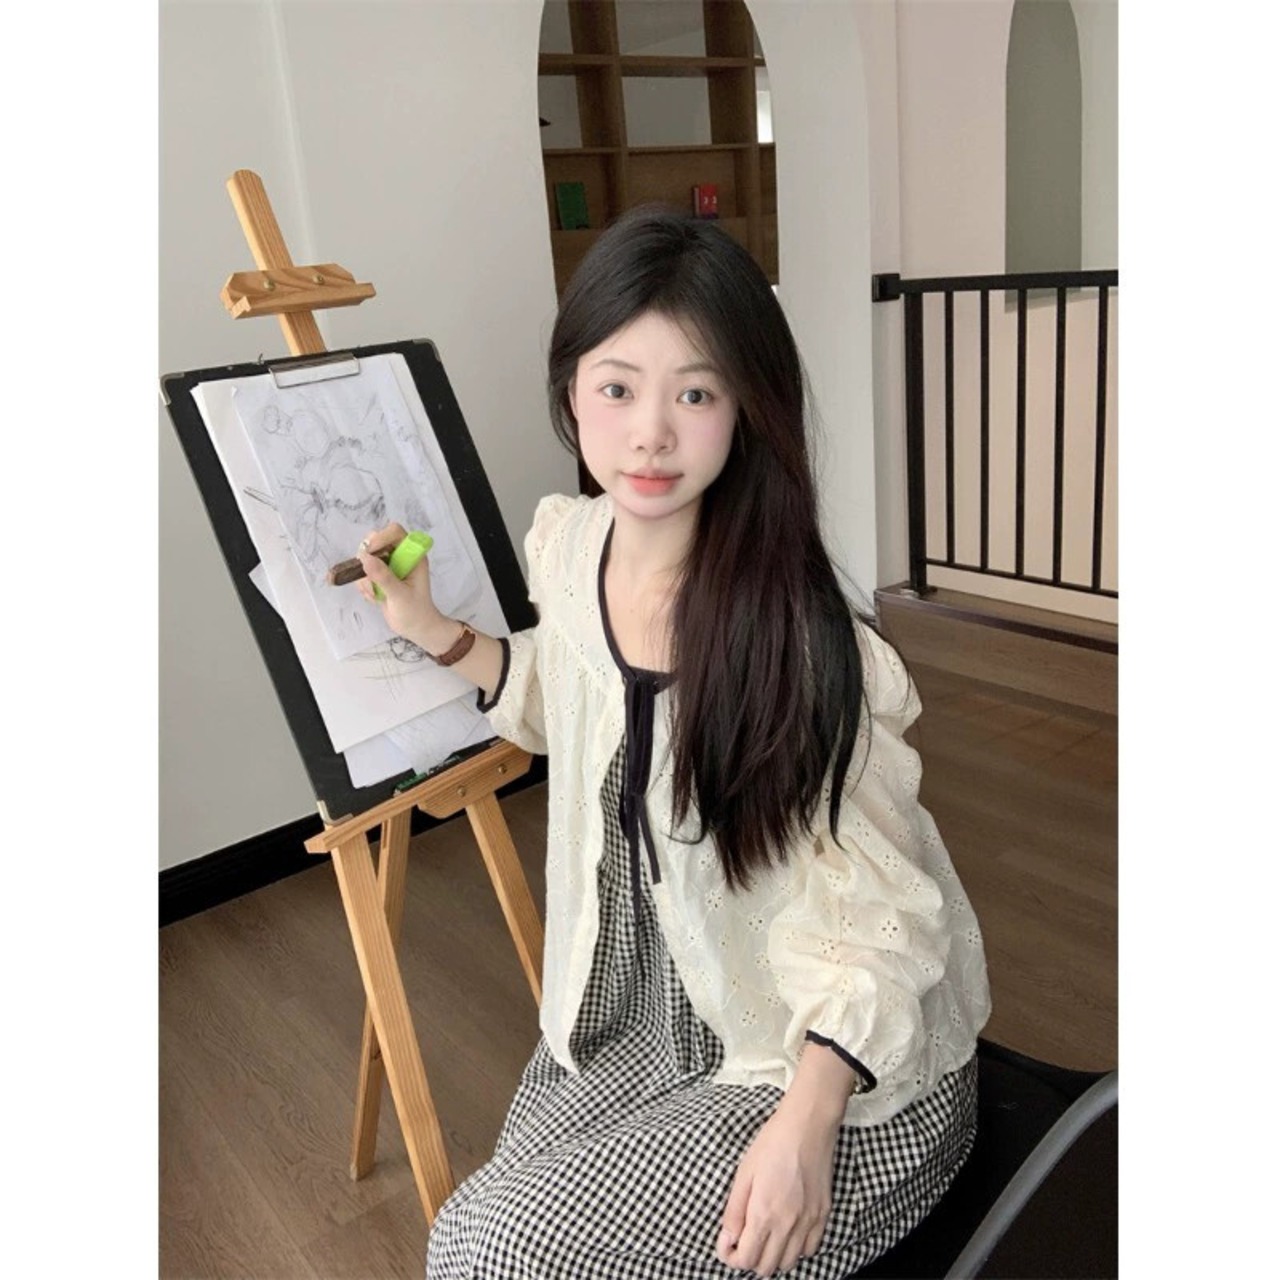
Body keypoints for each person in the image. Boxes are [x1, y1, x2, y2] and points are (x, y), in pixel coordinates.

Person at [355, 205, 991, 1279]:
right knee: (471, 1235)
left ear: (744, 408)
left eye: (694, 393)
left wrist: (804, 1127)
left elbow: (882, 922)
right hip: (640, 1012)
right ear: (571, 391)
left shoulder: (799, 641)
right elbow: (572, 702)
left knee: (490, 1252)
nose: (650, 432)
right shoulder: (572, 546)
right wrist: (435, 633)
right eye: (617, 388)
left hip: (825, 1062)